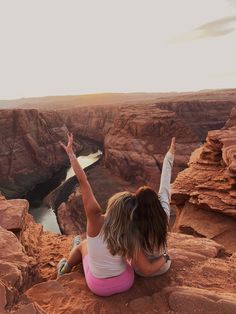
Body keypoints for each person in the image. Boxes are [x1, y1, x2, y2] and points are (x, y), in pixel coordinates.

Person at [57, 133, 136, 297]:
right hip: (125, 282)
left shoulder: (96, 219)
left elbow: (83, 181)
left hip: (99, 286)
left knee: (82, 245)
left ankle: (65, 269)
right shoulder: (132, 227)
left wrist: (71, 153)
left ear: (113, 205)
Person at [131, 137, 175, 277]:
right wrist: (170, 154)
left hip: (139, 270)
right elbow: (165, 181)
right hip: (163, 267)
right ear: (156, 200)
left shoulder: (133, 221)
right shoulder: (164, 214)